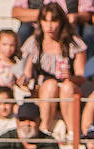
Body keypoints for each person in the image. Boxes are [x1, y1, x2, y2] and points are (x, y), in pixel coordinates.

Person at [21, 3, 87, 133]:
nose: (49, 26)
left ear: (61, 21)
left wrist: (70, 77)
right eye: (45, 20)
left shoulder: (74, 43)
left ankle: (72, 133)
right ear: (40, 22)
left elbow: (82, 77)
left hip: (68, 89)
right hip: (43, 90)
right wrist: (23, 81)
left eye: (54, 20)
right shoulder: (34, 42)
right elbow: (26, 74)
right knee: (50, 84)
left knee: (67, 87)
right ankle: (45, 129)